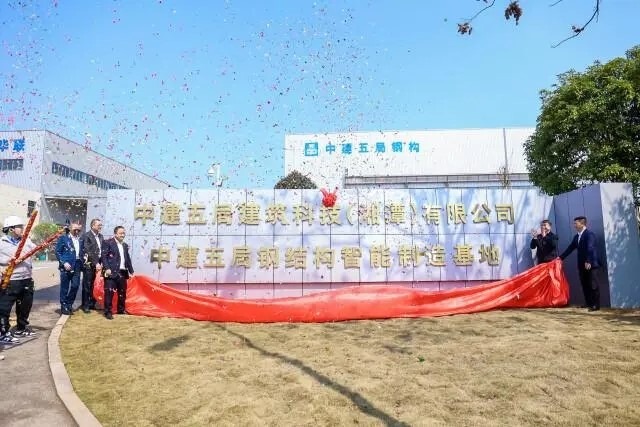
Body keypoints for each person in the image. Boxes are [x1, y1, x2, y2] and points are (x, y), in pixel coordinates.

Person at [0, 216, 37, 343]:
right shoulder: (2, 243)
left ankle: (21, 328)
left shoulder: (26, 241)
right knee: (4, 308)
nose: (22, 229)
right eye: (20, 227)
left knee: (25, 306)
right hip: (10, 280)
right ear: (11, 229)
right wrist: (6, 263)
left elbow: (36, 250)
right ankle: (3, 333)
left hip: (26, 279)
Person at [560, 216, 601, 311]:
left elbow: (590, 248)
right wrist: (560, 258)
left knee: (593, 285)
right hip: (581, 265)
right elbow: (570, 248)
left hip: (591, 264)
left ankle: (596, 305)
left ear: (582, 224)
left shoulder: (589, 234)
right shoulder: (576, 237)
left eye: (576, 223)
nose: (574, 225)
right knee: (585, 284)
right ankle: (589, 303)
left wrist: (588, 261)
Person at [100, 226, 134, 320]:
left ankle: (121, 309)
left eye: (123, 233)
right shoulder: (108, 242)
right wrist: (107, 268)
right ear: (115, 234)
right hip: (111, 272)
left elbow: (127, 259)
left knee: (122, 292)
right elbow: (103, 256)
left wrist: (131, 271)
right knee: (109, 292)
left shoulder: (125, 245)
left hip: (122, 272)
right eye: (120, 233)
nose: (122, 235)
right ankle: (108, 312)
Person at [55, 222, 83, 315]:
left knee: (75, 286)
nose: (77, 231)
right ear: (70, 228)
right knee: (65, 287)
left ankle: (69, 304)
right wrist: (64, 263)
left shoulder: (80, 239)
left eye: (78, 229)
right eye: (75, 229)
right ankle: (64, 306)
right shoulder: (63, 238)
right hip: (66, 266)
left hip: (77, 265)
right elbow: (58, 252)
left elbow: (82, 252)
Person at [80, 218, 103, 313]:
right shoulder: (86, 235)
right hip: (89, 264)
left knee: (95, 284)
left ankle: (92, 303)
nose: (100, 227)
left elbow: (102, 250)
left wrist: (101, 263)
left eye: (101, 225)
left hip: (99, 264)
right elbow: (88, 251)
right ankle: (85, 305)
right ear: (93, 226)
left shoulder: (101, 236)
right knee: (87, 285)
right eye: (98, 225)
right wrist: (96, 263)